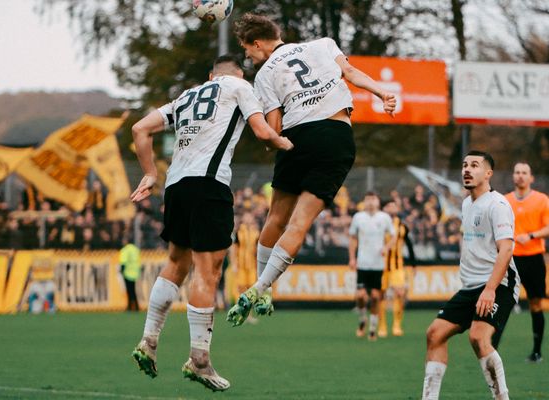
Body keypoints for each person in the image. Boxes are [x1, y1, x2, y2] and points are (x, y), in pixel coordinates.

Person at [128, 55, 293, 391]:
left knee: (175, 262)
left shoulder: (186, 97)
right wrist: (286, 144)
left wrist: (149, 172)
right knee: (208, 270)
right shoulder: (238, 86)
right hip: (208, 185)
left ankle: (149, 340)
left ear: (209, 75)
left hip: (176, 187)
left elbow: (139, 128)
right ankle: (199, 359)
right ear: (238, 73)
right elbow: (263, 132)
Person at [227, 13, 397, 325]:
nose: (247, 56)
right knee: (299, 224)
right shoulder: (322, 44)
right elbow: (350, 71)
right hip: (336, 135)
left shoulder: (265, 75)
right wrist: (382, 92)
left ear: (257, 43)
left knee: (277, 218)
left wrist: (271, 142)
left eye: (246, 49)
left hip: (297, 137)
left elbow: (274, 128)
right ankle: (261, 288)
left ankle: (264, 290)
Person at [421, 151, 518, 400]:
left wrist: (490, 289)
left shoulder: (497, 204)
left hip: (498, 283)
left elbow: (506, 249)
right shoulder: (466, 203)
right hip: (470, 286)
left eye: (474, 165)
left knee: (478, 337)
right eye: (464, 165)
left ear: (488, 173)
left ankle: (501, 397)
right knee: (434, 334)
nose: (466, 169)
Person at [502, 162, 549, 361]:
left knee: (535, 303)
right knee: (501, 303)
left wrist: (530, 236)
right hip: (510, 258)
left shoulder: (542, 200)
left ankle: (537, 351)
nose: (520, 176)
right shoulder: (504, 201)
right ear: (513, 176)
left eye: (524, 173)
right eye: (517, 172)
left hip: (534, 258)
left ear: (531, 178)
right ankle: (491, 350)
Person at [348, 192, 396, 341]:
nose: (370, 202)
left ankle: (373, 329)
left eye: (373, 199)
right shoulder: (358, 217)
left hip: (377, 264)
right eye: (367, 199)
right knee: (361, 296)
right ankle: (363, 319)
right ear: (364, 201)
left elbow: (394, 236)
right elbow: (352, 238)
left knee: (375, 296)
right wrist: (352, 258)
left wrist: (386, 247)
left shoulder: (384, 218)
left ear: (378, 201)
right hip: (363, 262)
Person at [378, 199, 416, 337]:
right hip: (380, 266)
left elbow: (409, 245)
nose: (392, 207)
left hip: (397, 266)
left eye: (394, 205)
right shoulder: (378, 224)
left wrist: (413, 264)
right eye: (389, 205)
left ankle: (397, 325)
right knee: (380, 295)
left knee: (399, 293)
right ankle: (381, 326)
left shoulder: (402, 226)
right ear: (383, 209)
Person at [119, 238, 142, 311]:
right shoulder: (135, 249)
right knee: (133, 290)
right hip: (135, 272)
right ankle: (135, 306)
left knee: (129, 291)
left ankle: (130, 306)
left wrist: (121, 271)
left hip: (127, 273)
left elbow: (123, 261)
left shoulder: (125, 250)